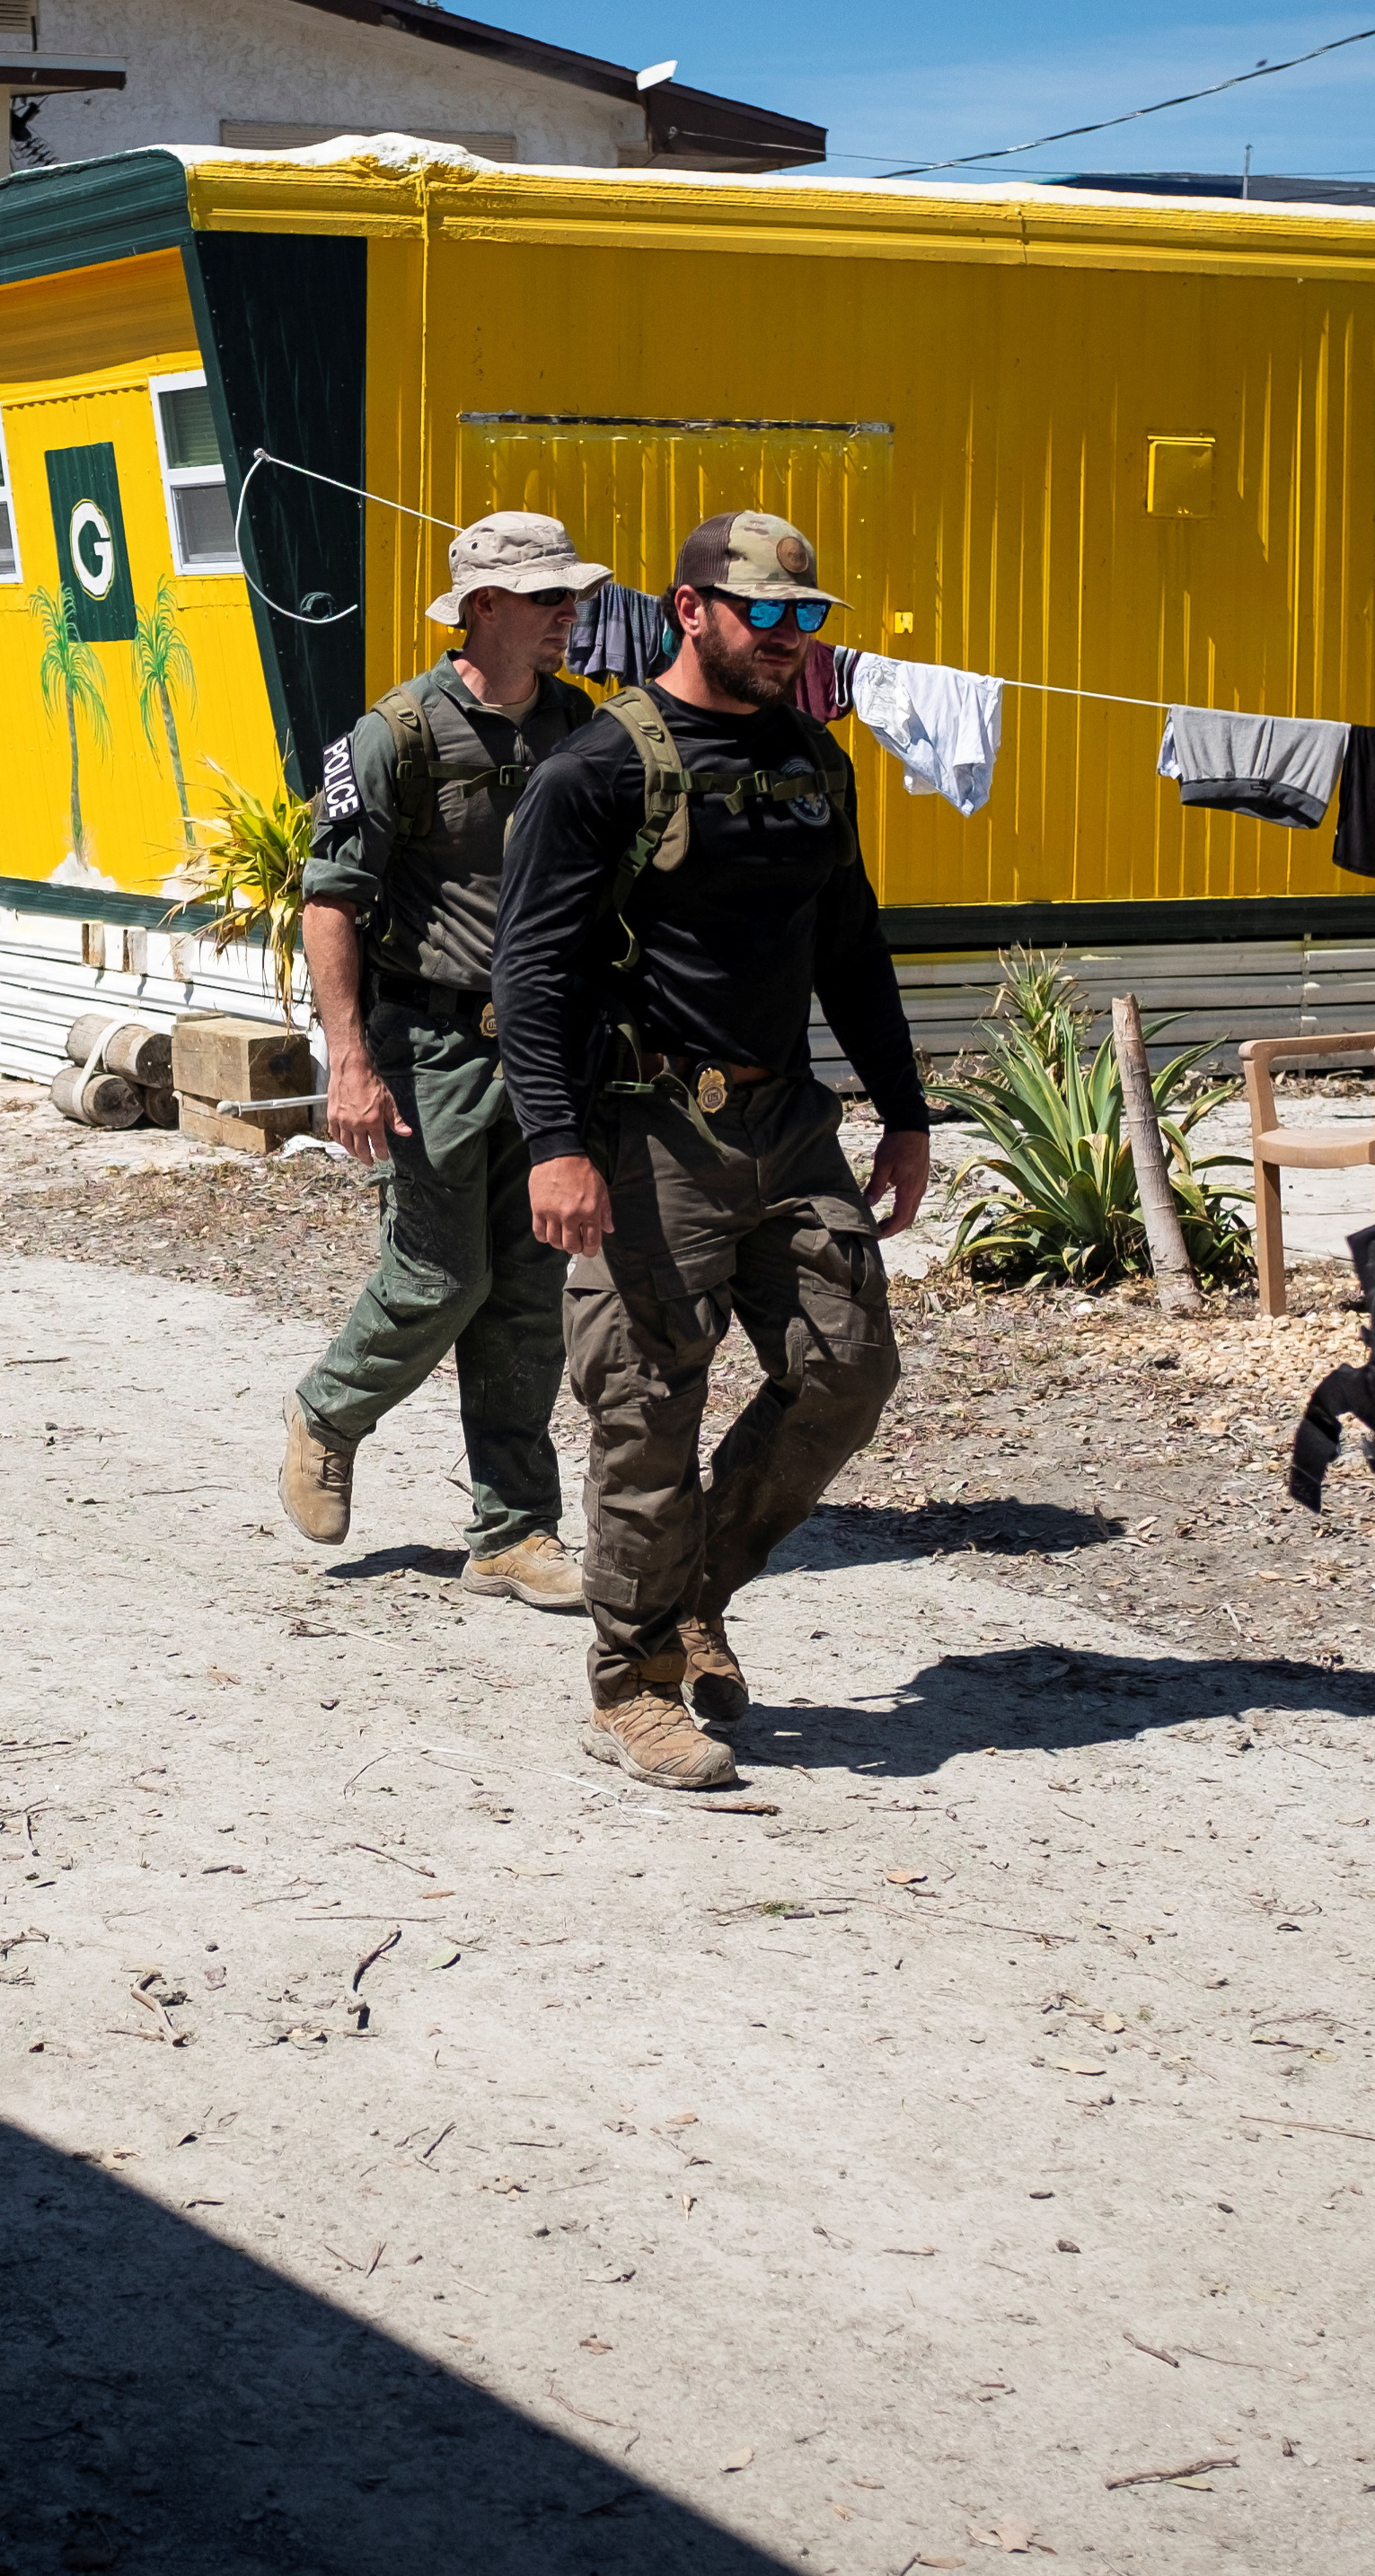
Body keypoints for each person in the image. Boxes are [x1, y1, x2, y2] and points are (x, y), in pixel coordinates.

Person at [493, 511, 931, 1791]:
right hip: (645, 1131)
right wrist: (554, 1145)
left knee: (846, 1368)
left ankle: (692, 1594)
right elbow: (531, 976)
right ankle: (631, 1684)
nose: (792, 641)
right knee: (642, 1408)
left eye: (808, 618)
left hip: (787, 1119)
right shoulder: (596, 771)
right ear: (689, 610)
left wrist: (902, 1113)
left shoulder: (810, 760)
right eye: (765, 616)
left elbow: (847, 940)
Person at [281, 511, 605, 1610]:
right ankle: (330, 1410)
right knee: (439, 1274)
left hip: (549, 1048)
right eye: (549, 597)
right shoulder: (393, 734)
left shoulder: (582, 725)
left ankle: (513, 1531)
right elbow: (328, 903)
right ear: (482, 608)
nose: (571, 613)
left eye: (572, 594)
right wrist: (348, 1060)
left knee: (526, 1293)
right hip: (425, 1045)